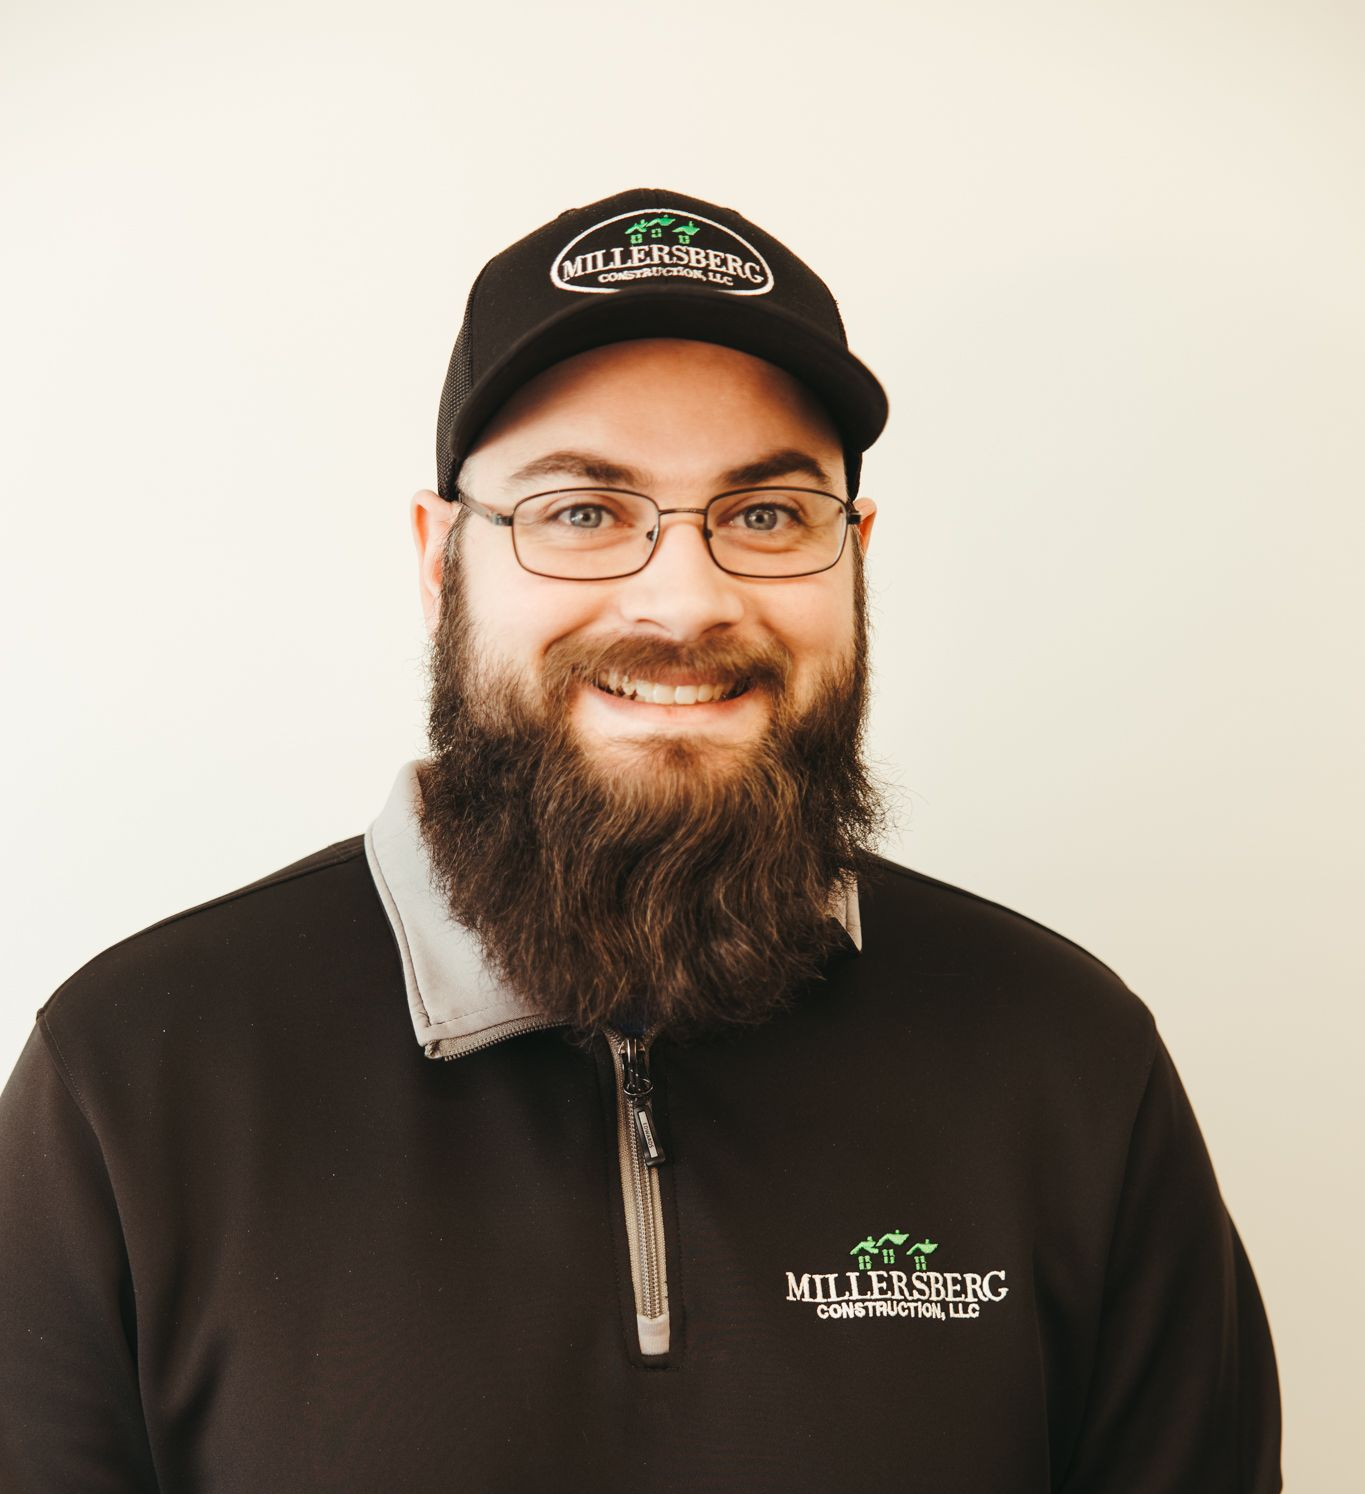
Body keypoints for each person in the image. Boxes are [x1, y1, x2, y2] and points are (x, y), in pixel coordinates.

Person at [0, 187, 1281, 1492]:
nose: (683, 598)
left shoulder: (1070, 1064)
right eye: (581, 511)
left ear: (857, 554)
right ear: (442, 561)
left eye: (770, 514)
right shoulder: (129, 1082)